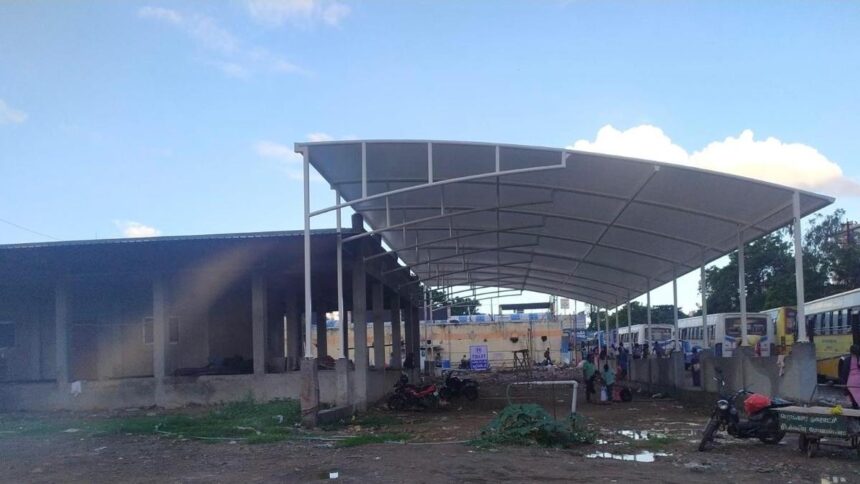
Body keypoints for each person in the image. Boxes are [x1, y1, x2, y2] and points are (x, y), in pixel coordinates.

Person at [847, 344, 860, 409]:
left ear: (850, 351)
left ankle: (855, 408)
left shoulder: (848, 359)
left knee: (854, 397)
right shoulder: (858, 358)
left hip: (851, 380)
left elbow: (844, 371)